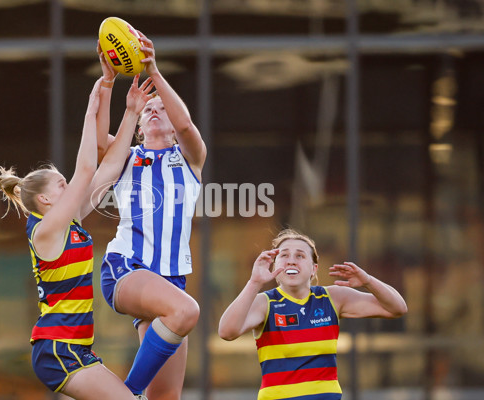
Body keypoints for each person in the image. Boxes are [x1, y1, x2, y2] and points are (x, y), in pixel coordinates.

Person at [0, 72, 154, 400]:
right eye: (60, 185)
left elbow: (108, 168)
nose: (68, 185)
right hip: (57, 350)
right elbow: (85, 171)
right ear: (45, 200)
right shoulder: (44, 231)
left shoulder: (70, 221)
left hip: (76, 349)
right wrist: (89, 110)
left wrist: (130, 111)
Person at [97, 31, 207, 400]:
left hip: (170, 281)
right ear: (139, 126)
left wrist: (154, 71)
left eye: (162, 108)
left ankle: (131, 394)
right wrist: (109, 82)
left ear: (173, 126)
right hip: (126, 266)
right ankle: (126, 393)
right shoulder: (128, 156)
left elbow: (189, 126)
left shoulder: (190, 158)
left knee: (167, 397)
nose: (155, 111)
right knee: (186, 312)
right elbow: (99, 143)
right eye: (148, 110)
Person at [218, 228, 408, 400]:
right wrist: (254, 282)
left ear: (313, 268)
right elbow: (226, 331)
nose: (291, 260)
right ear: (275, 265)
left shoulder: (332, 297)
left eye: (300, 255)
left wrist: (367, 280)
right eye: (284, 255)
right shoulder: (265, 302)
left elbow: (397, 308)